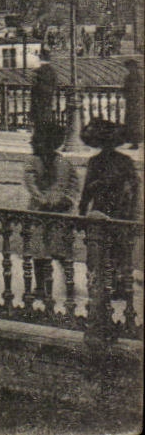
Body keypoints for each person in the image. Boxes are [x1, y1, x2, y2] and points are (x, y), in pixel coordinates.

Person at [77, 118, 140, 309]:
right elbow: (87, 189)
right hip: (104, 209)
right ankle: (107, 283)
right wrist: (82, 209)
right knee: (105, 248)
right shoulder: (98, 162)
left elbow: (135, 187)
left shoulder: (122, 162)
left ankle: (117, 283)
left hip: (119, 209)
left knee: (118, 248)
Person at [22, 120, 78, 304]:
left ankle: (69, 285)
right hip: (40, 212)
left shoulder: (64, 163)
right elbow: (31, 185)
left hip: (60, 212)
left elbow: (73, 186)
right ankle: (39, 287)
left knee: (62, 250)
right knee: (39, 251)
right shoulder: (32, 162)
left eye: (36, 141)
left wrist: (66, 201)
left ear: (47, 143)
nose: (32, 144)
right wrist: (43, 201)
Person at [29, 61, 60, 133]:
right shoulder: (52, 71)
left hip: (38, 97)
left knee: (38, 114)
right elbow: (55, 84)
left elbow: (34, 84)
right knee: (46, 113)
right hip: (48, 96)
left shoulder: (37, 72)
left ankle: (39, 130)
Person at [122, 58, 142, 150]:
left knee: (134, 123)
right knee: (135, 123)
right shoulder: (136, 76)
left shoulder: (133, 77)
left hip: (134, 102)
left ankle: (135, 142)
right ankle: (135, 142)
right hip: (134, 102)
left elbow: (135, 89)